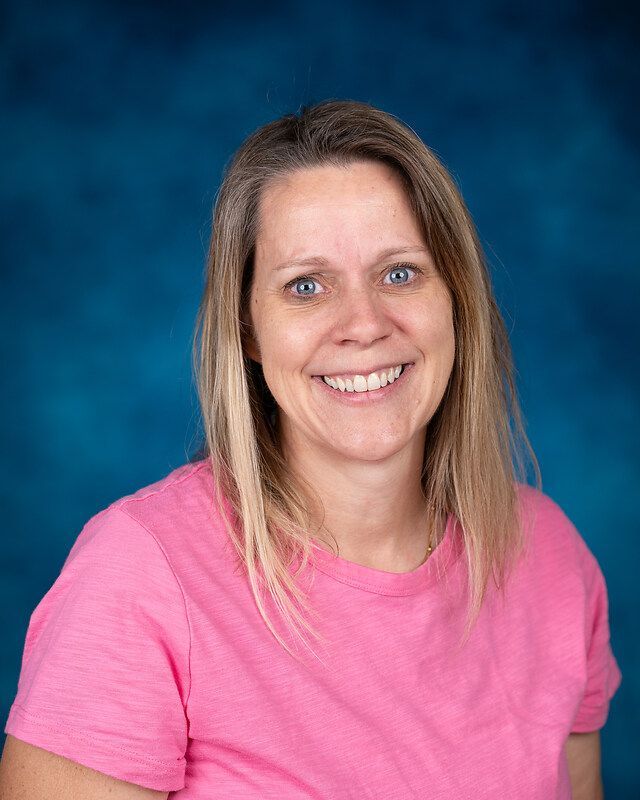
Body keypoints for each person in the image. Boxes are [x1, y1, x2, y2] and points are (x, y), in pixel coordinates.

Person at [0, 100, 622, 799]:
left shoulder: (551, 557)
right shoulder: (139, 577)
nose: (363, 324)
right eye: (306, 286)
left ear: (457, 299)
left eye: (399, 273)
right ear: (250, 331)